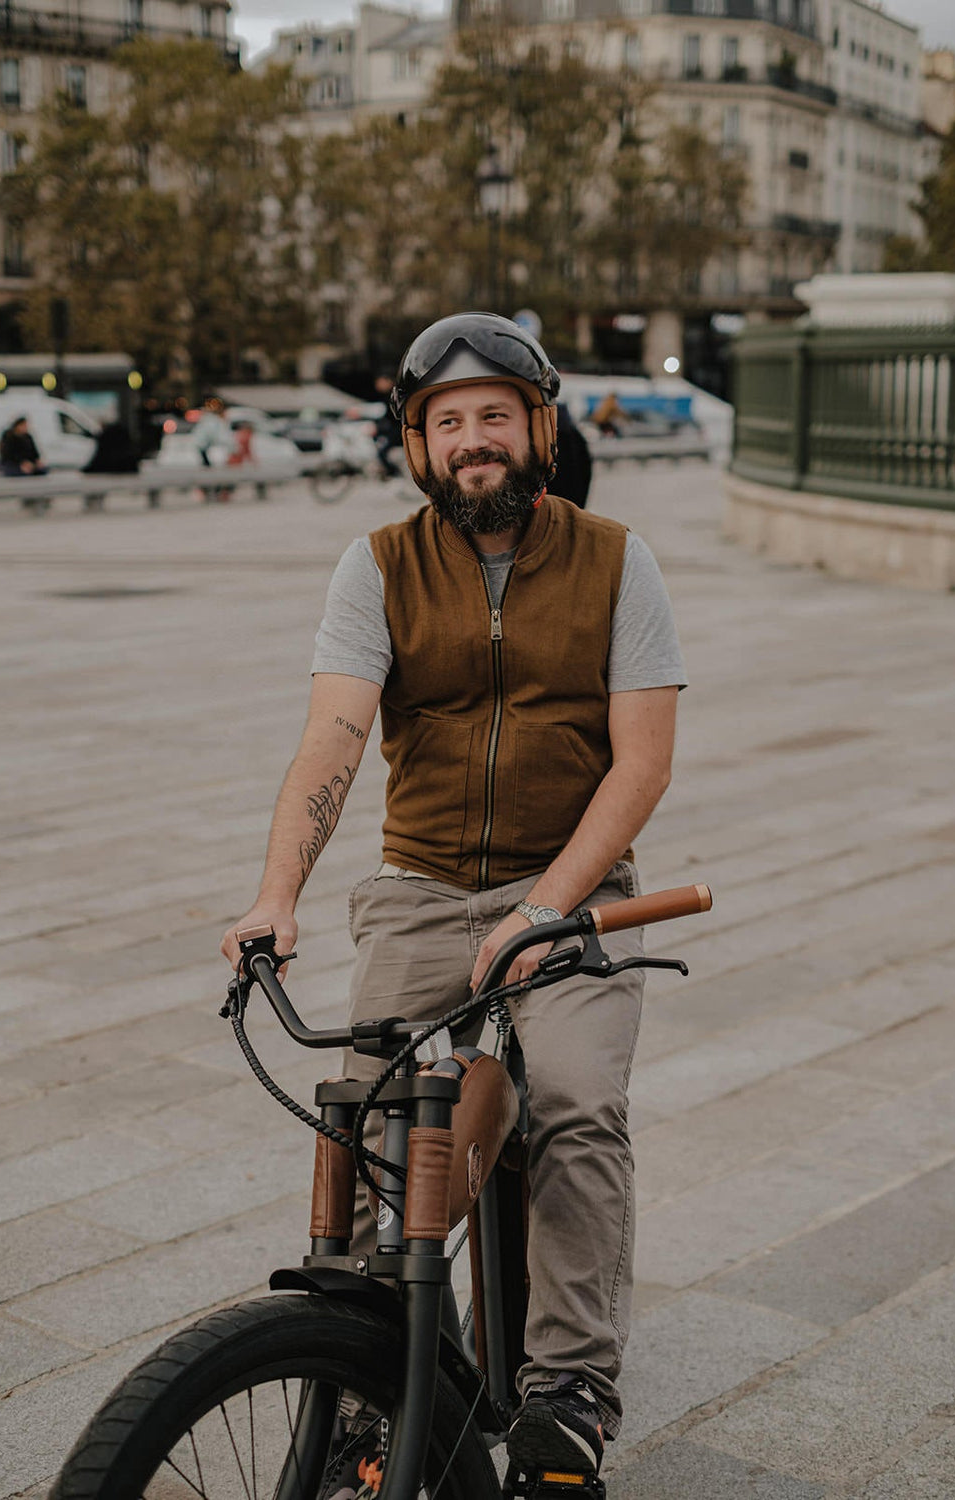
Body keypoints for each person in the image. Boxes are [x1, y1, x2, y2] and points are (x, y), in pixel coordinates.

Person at [221, 311, 685, 1487]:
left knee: (576, 1099)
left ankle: (569, 1387)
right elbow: (332, 735)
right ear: (417, 445)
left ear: (537, 426)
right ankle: (378, 1372)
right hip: (421, 885)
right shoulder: (377, 565)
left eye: (492, 415)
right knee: (378, 1115)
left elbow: (640, 762)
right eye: (446, 423)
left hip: (569, 890)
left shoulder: (618, 560)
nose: (471, 441)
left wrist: (548, 912)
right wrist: (277, 894)